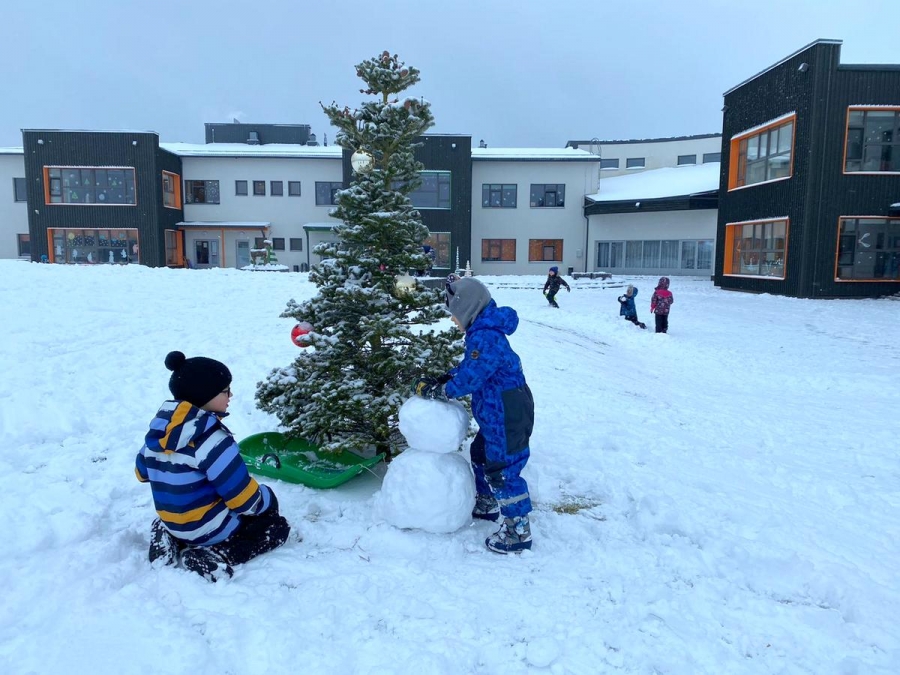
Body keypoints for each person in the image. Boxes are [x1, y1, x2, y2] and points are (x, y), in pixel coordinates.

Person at [135, 351, 291, 581]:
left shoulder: (159, 433)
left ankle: (168, 534)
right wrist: (267, 499)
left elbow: (141, 473)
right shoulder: (212, 440)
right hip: (209, 528)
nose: (231, 395)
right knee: (276, 527)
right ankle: (217, 554)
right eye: (225, 390)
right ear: (205, 395)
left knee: (187, 510)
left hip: (172, 519)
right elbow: (243, 500)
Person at [415, 278, 535, 554]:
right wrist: (447, 375)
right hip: (497, 410)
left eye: (455, 315)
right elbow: (471, 366)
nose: (454, 321)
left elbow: (471, 378)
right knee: (481, 453)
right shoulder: (482, 330)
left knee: (503, 469)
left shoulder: (485, 336)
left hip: (507, 412)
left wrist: (439, 391)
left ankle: (518, 530)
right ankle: (487, 501)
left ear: (468, 309)